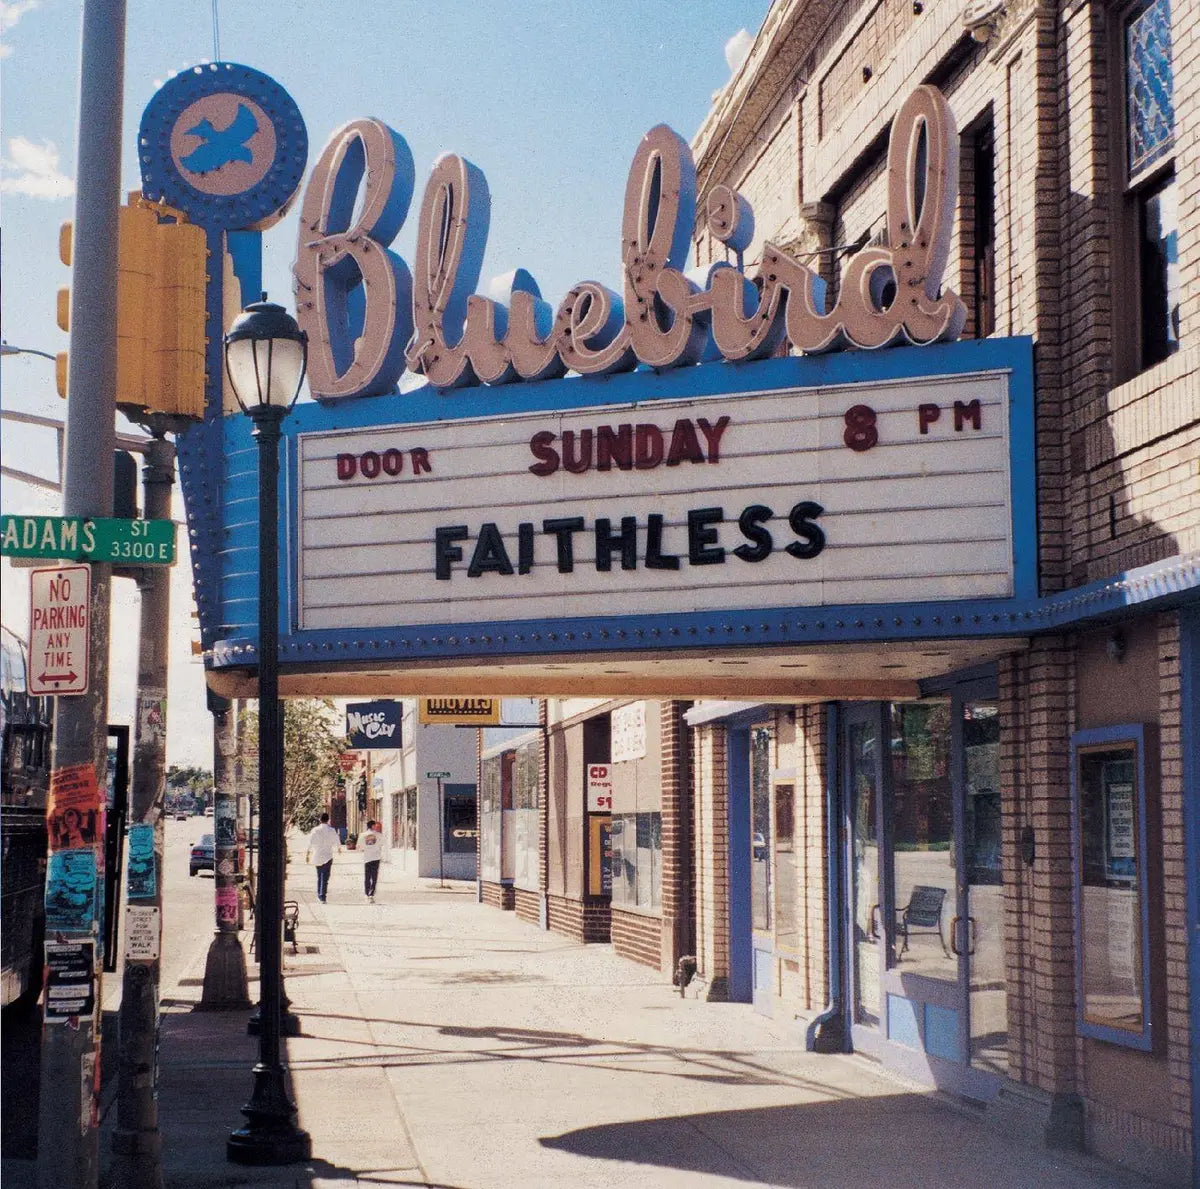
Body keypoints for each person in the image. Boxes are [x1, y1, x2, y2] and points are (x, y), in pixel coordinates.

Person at [305, 812, 341, 902]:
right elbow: (337, 840)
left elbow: (310, 842)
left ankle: (320, 895)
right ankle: (322, 896)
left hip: (317, 855)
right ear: (328, 820)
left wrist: (307, 854)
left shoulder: (315, 830)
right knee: (325, 877)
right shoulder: (332, 830)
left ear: (320, 820)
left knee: (319, 876)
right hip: (328, 856)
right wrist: (339, 849)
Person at [359, 819, 383, 902]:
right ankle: (371, 894)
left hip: (367, 858)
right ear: (372, 826)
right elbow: (382, 843)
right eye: (375, 825)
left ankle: (366, 893)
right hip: (376, 857)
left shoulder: (362, 835)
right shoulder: (379, 835)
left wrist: (366, 848)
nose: (376, 827)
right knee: (374, 877)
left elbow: (360, 846)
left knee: (367, 877)